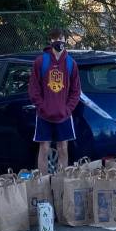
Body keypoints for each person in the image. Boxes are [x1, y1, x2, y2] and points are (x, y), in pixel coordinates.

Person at [29, 28, 81, 173]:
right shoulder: (41, 62)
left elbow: (76, 91)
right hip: (44, 115)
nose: (59, 41)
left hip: (63, 115)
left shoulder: (71, 64)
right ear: (50, 41)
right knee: (44, 148)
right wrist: (42, 106)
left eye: (62, 38)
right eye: (55, 38)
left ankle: (62, 182)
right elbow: (33, 89)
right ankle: (44, 183)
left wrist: (67, 109)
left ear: (65, 40)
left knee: (63, 148)